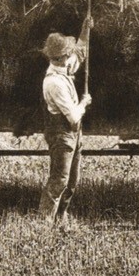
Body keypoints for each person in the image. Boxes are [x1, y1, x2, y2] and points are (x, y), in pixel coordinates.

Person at [38, 28, 92, 224]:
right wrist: (84, 103)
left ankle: (61, 218)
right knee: (59, 181)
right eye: (67, 53)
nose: (70, 54)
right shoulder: (54, 83)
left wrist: (86, 29)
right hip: (61, 135)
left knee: (72, 182)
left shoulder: (64, 67)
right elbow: (73, 116)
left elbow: (79, 53)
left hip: (73, 135)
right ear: (60, 57)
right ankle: (44, 223)